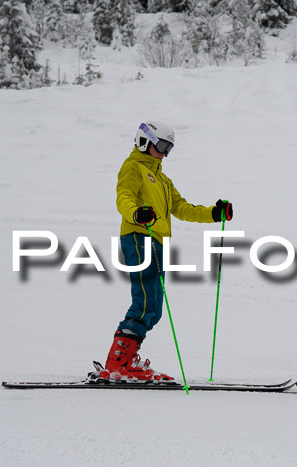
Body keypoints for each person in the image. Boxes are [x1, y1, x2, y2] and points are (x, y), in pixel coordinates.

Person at [99, 120, 233, 381]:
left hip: (157, 241)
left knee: (154, 308)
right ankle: (119, 365)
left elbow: (182, 208)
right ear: (143, 140)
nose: (163, 153)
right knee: (146, 302)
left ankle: (122, 360)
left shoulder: (162, 179)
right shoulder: (133, 167)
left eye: (168, 149)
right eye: (160, 146)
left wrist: (214, 214)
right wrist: (137, 213)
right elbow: (123, 197)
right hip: (138, 236)